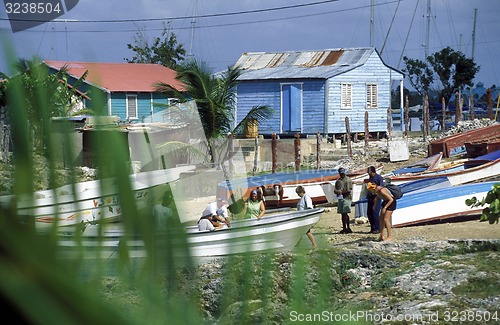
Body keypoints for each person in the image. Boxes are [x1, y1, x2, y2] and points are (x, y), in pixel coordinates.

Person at [334, 167, 353, 234]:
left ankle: (348, 227)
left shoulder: (348, 180)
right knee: (342, 214)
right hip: (340, 198)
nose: (342, 174)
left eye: (343, 173)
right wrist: (337, 192)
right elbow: (335, 190)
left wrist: (341, 192)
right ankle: (344, 228)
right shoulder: (338, 181)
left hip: (347, 198)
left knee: (345, 213)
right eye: (341, 173)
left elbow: (349, 190)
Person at [366, 166, 383, 234]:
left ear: (371, 171)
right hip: (370, 197)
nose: (367, 173)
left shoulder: (379, 178)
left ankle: (377, 228)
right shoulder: (370, 178)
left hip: (376, 197)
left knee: (375, 213)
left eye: (368, 171)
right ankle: (372, 228)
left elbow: (381, 187)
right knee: (369, 213)